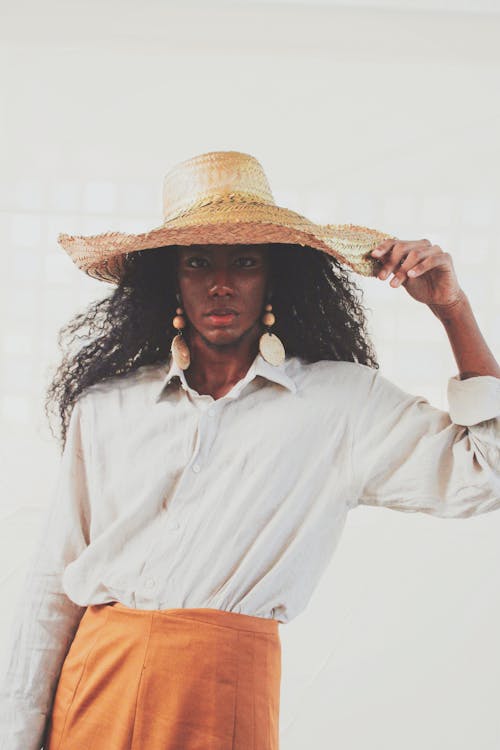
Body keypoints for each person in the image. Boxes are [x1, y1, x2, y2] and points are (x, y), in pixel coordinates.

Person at [0, 150, 498, 750]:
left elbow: (487, 470)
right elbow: (53, 582)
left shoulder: (339, 404)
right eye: (196, 262)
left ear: (274, 276)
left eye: (243, 261)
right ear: (171, 282)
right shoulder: (108, 407)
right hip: (93, 684)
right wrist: (18, 732)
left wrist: (452, 310)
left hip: (223, 691)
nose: (219, 283)